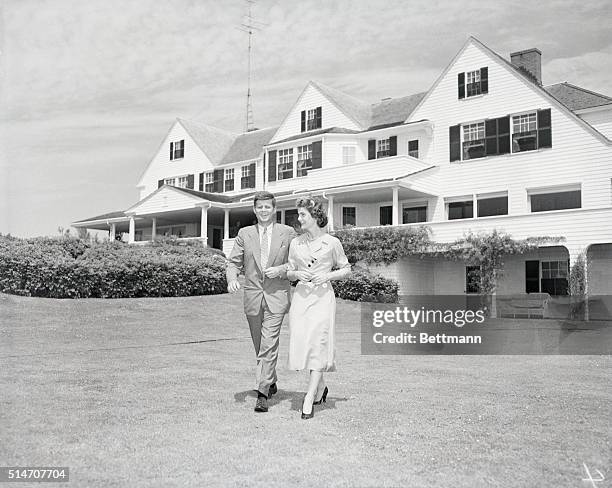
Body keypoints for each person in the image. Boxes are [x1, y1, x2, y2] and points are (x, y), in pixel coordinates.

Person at [226, 191, 296, 413]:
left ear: (274, 209)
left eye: (268, 207)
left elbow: (297, 263)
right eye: (260, 207)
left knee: (269, 343)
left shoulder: (288, 232)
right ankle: (271, 379)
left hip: (277, 296)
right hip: (253, 296)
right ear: (255, 210)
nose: (264, 210)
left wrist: (281, 269)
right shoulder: (244, 233)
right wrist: (231, 279)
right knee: (259, 345)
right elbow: (233, 262)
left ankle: (262, 392)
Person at [286, 197, 351, 419]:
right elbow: (289, 271)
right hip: (302, 298)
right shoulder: (296, 243)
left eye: (303, 214)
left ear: (315, 217)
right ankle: (321, 386)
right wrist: (296, 274)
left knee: (319, 343)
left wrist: (327, 275)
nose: (299, 218)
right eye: (299, 214)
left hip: (323, 298)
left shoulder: (332, 243)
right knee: (305, 344)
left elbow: (346, 269)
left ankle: (309, 396)